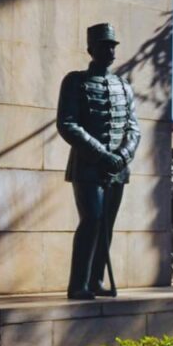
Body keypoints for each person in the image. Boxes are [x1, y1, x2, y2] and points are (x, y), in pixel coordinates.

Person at [57, 22, 140, 301]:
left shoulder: (124, 86)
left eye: (112, 46)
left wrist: (123, 156)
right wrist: (102, 155)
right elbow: (68, 124)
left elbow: (133, 128)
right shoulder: (75, 81)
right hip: (87, 167)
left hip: (117, 168)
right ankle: (77, 284)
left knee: (106, 225)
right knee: (91, 219)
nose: (109, 51)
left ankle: (96, 280)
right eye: (104, 46)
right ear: (91, 49)